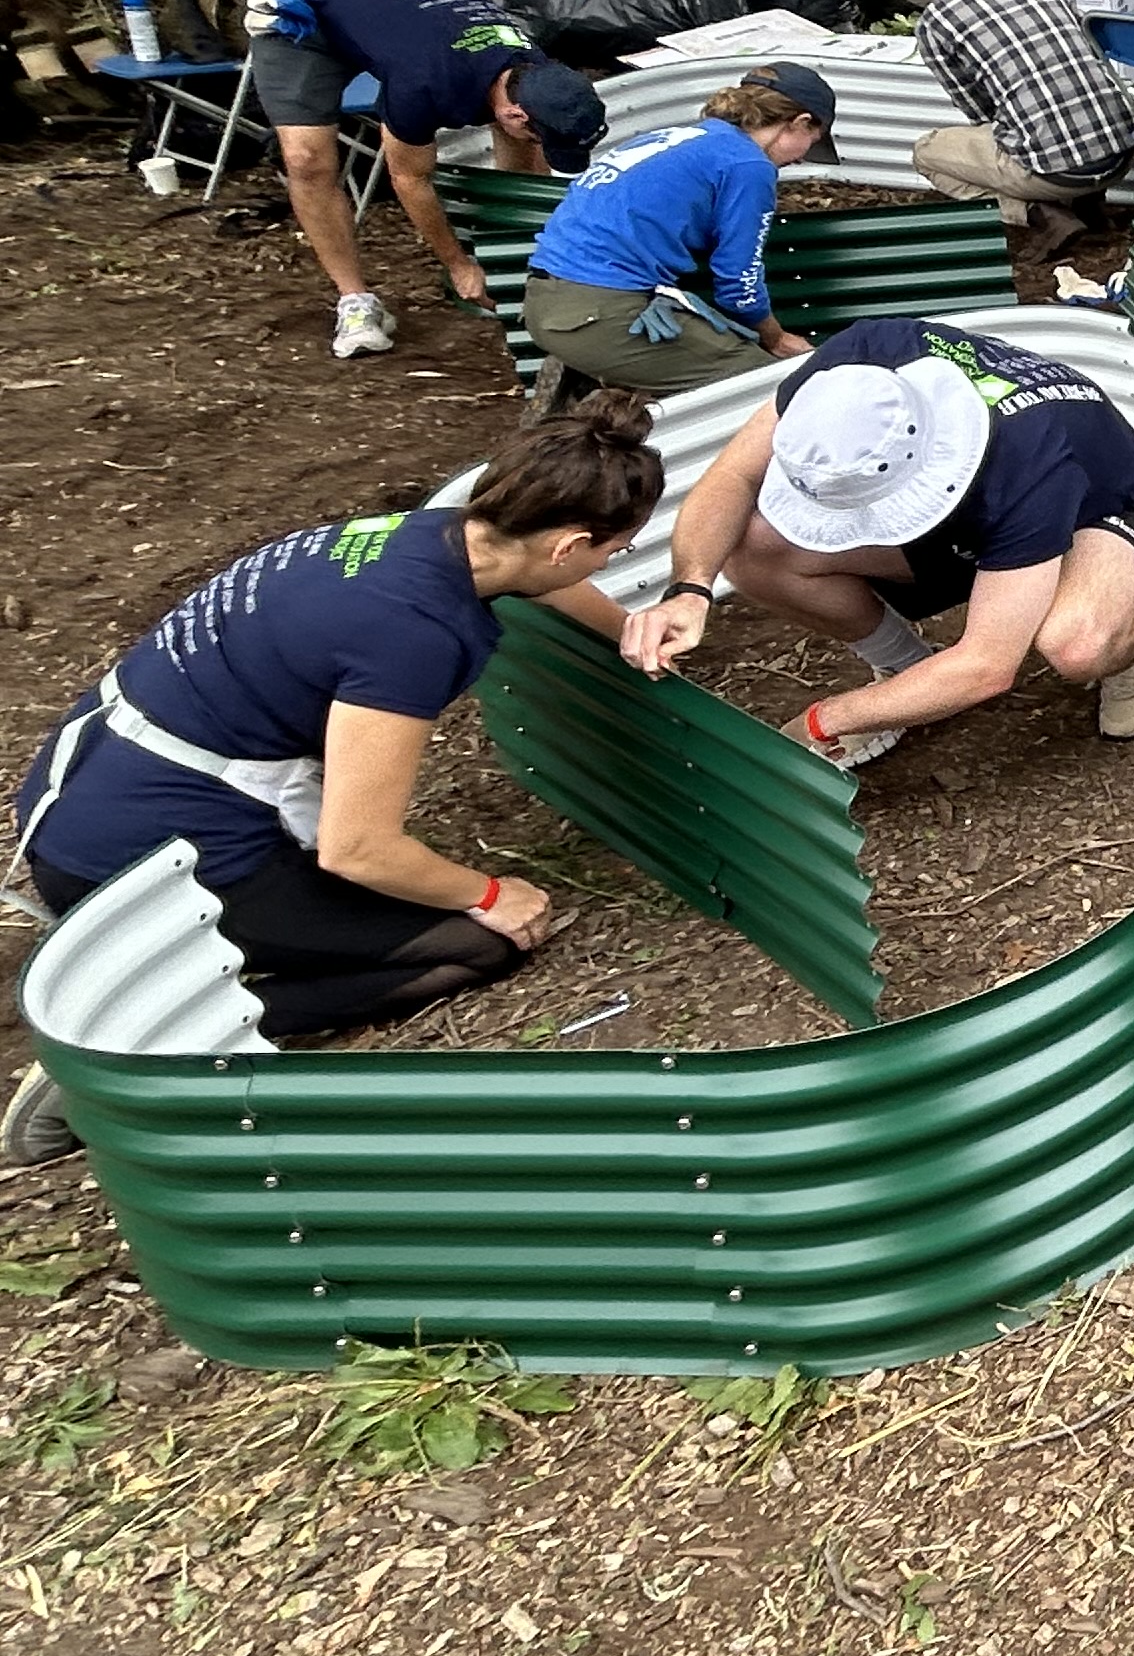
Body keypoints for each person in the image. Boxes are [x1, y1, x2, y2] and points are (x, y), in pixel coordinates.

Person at [6, 394, 664, 1139]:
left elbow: (543, 575)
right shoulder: (412, 633)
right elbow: (357, 849)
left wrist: (632, 636)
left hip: (81, 791)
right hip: (148, 864)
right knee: (476, 944)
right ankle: (140, 1045)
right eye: (615, 550)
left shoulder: (423, 537)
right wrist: (488, 892)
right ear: (567, 542)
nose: (614, 563)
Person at [620, 314, 1134, 763]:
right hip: (974, 506)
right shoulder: (859, 360)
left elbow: (986, 666)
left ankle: (1133, 645)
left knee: (1077, 643)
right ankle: (905, 669)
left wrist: (827, 719)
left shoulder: (1030, 468)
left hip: (1095, 506)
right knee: (751, 547)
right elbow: (733, 476)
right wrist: (690, 588)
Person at [249, 0, 609, 361]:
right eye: (538, 136)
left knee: (522, 153)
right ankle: (355, 302)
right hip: (303, 10)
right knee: (307, 160)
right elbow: (409, 178)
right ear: (514, 112)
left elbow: (523, 169)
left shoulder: (532, 64)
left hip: (387, 3)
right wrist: (459, 265)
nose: (540, 145)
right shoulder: (423, 84)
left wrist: (519, 258)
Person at [518, 64, 838, 391]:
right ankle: (593, 392)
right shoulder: (748, 165)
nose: (802, 159)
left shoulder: (677, 138)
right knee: (766, 388)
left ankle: (587, 385)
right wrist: (777, 339)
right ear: (799, 122)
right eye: (811, 142)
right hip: (599, 311)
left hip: (543, 299)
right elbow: (739, 285)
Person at [907, 0, 1134, 266]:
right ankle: (1090, 206)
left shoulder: (935, 23)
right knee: (1066, 106)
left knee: (926, 153)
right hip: (1121, 153)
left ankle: (1041, 214)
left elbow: (980, 115)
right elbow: (1084, 54)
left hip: (1057, 176)